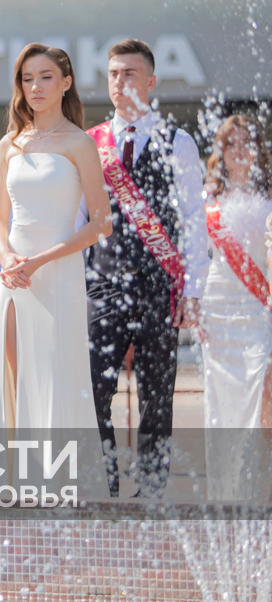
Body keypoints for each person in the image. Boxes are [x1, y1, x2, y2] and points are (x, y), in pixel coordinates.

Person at [81, 38, 209, 497]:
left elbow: (193, 219)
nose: (119, 82)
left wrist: (193, 289)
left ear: (151, 81)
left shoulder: (178, 141)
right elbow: (79, 218)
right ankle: (103, 485)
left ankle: (152, 491)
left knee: (157, 393)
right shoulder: (90, 143)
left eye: (130, 73)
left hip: (160, 285)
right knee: (94, 389)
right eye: (113, 74)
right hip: (103, 284)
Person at [0, 44, 112, 497]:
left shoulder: (80, 142)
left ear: (66, 82)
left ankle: (62, 488)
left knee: (56, 373)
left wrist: (39, 261)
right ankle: (19, 485)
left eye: (45, 77)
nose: (35, 87)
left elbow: (101, 223)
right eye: (27, 78)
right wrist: (7, 258)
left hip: (57, 273)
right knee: (15, 373)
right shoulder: (10, 143)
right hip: (14, 276)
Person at [198, 114, 272, 499]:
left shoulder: (269, 197)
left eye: (247, 142)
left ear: (259, 149)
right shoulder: (207, 199)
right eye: (231, 143)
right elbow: (196, 257)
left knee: (263, 392)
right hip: (218, 309)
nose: (239, 150)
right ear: (221, 151)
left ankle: (260, 484)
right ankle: (227, 492)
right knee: (221, 398)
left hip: (258, 305)